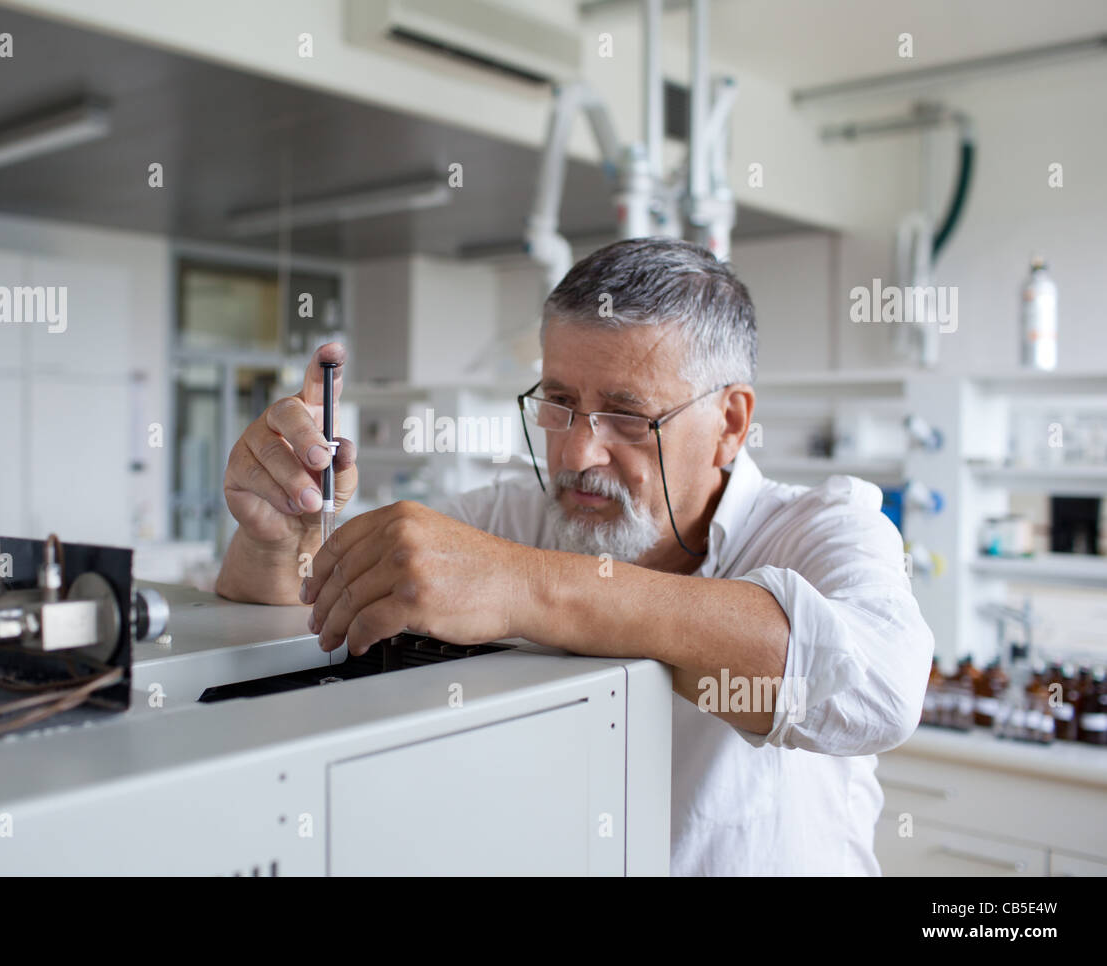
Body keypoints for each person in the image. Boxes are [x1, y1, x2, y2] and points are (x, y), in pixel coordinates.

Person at [216, 237, 933, 875]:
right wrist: (278, 538)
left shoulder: (821, 526)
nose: (579, 451)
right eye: (558, 402)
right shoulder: (509, 516)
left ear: (730, 423)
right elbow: (302, 610)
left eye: (627, 416)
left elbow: (877, 689)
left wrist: (524, 586)